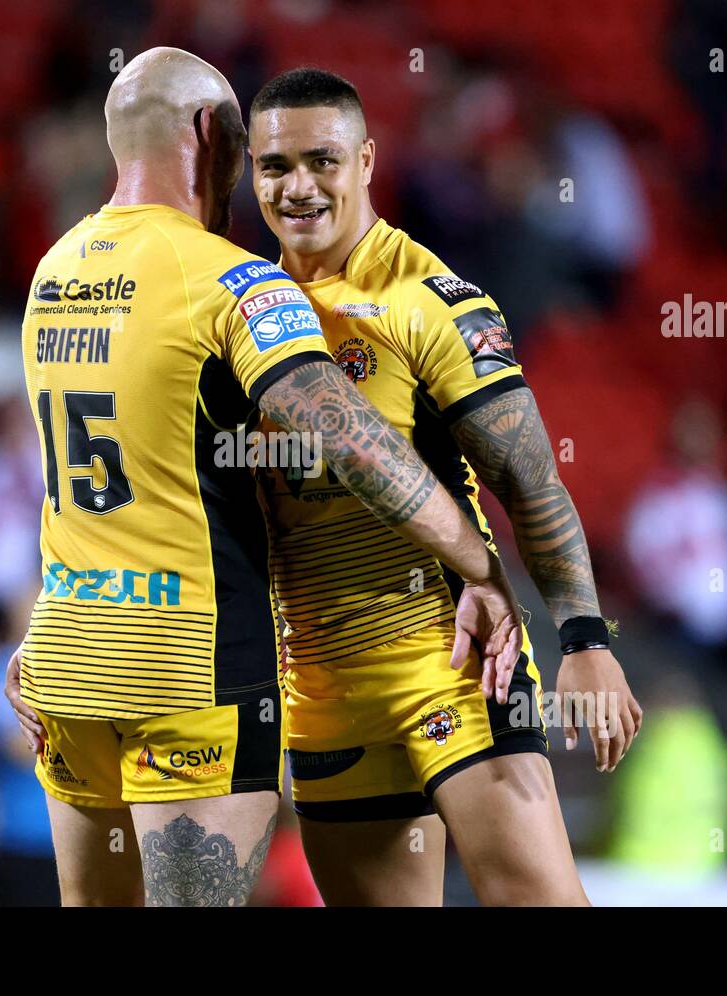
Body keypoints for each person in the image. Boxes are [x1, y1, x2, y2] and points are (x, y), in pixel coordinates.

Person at [2, 48, 526, 907]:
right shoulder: (235, 282)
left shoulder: (52, 275)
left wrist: (45, 617)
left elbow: (87, 476)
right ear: (210, 134)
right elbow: (348, 437)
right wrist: (479, 562)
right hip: (191, 668)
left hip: (67, 662)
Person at [246, 67, 643, 905]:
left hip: (454, 663)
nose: (299, 187)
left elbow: (528, 477)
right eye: (275, 166)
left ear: (366, 161)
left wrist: (586, 639)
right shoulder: (237, 310)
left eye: (323, 159)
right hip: (318, 686)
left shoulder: (430, 299)